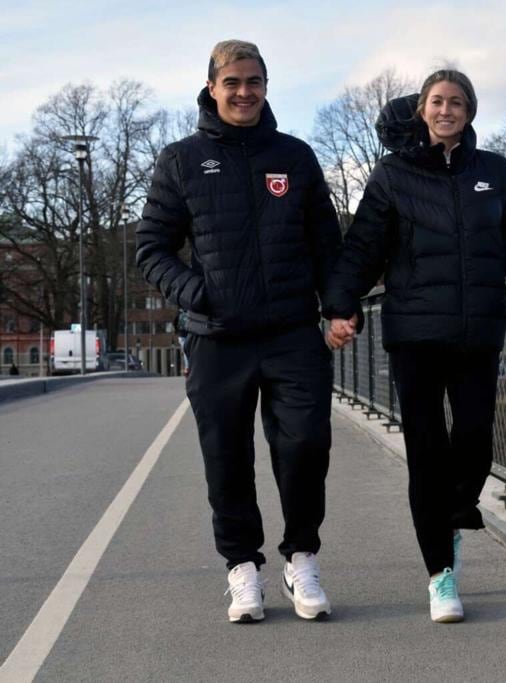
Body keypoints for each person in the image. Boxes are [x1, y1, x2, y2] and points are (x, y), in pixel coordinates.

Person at [136, 40, 353, 623]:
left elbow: (327, 245)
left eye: (253, 81)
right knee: (226, 459)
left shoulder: (296, 157)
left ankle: (301, 558)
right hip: (217, 337)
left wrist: (337, 308)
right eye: (231, 82)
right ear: (211, 87)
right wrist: (197, 293)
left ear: (265, 87)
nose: (243, 92)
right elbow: (151, 248)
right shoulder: (181, 160)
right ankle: (242, 570)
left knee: (306, 445)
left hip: (292, 334)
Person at [325, 68, 506, 623]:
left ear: (470, 110)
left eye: (457, 102)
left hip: (478, 330)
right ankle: (440, 574)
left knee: (474, 437)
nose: (447, 110)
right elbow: (364, 245)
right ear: (422, 110)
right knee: (426, 451)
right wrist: (340, 307)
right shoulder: (393, 175)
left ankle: (453, 514)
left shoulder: (495, 170)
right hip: (415, 332)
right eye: (437, 101)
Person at [174, 309, 190, 377]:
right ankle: (190, 367)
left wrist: (177, 331)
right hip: (189, 335)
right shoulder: (190, 312)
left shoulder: (179, 313)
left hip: (181, 335)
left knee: (186, 352)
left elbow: (174, 323)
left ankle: (187, 368)